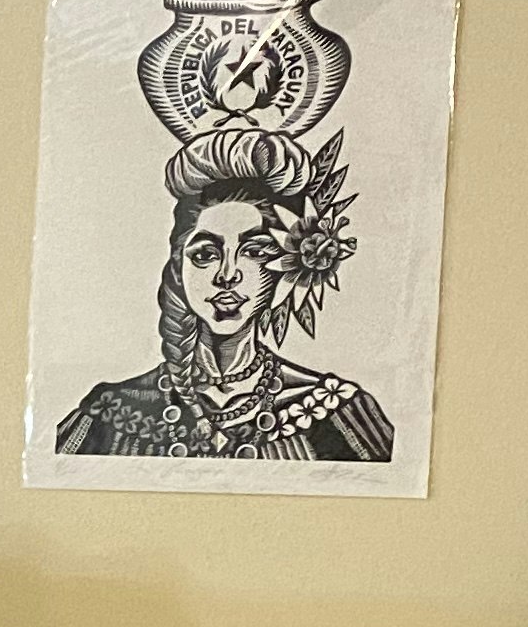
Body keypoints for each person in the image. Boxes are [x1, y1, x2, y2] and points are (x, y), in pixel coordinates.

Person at [58, 123, 392, 461]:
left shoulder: (332, 411)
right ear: (178, 267)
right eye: (205, 254)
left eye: (254, 252)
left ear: (288, 265)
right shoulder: (112, 411)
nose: (227, 275)